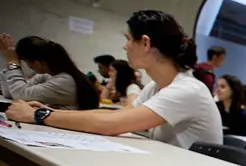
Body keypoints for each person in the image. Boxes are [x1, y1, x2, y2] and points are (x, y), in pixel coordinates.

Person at [6, 10, 222, 149]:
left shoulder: (188, 89)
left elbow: (112, 124)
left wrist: (39, 115)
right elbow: (120, 115)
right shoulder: (157, 87)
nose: (124, 47)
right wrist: (53, 112)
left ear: (145, 43)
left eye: (128, 39)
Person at [0, 35, 98, 110]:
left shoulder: (66, 80)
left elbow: (20, 94)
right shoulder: (46, 76)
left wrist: (12, 62)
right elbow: (11, 93)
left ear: (37, 63)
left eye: (26, 62)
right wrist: (10, 63)